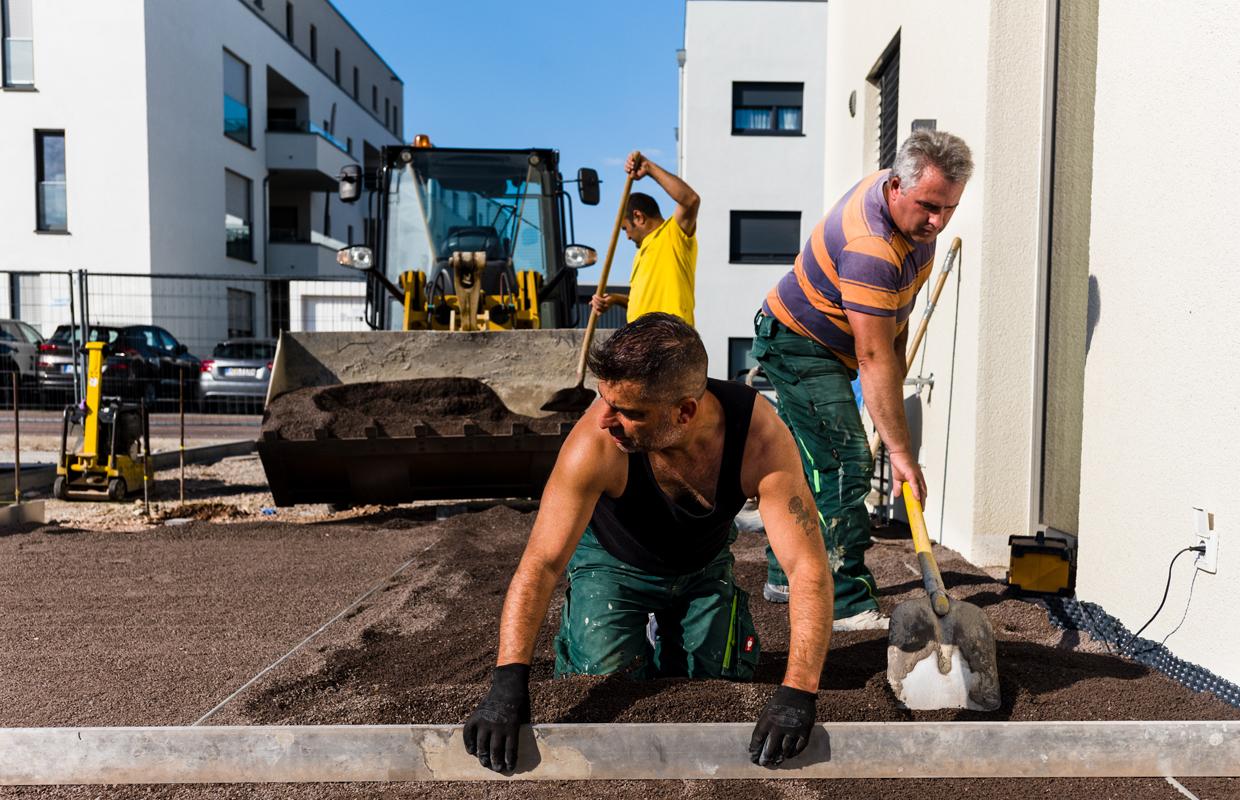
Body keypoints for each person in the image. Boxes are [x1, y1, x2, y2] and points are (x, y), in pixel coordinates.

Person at [463, 313, 833, 773]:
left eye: (629, 412)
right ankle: (613, 631)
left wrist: (798, 690)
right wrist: (508, 679)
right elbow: (541, 563)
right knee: (602, 678)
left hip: (702, 562)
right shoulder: (595, 444)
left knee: (716, 680)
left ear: (685, 412)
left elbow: (805, 568)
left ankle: (674, 628)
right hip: (613, 562)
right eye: (604, 399)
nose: (606, 420)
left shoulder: (757, 437)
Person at [751, 130, 973, 631]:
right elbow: (872, 356)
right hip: (798, 341)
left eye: (950, 209)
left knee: (809, 463)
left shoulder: (915, 226)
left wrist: (892, 399)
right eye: (929, 206)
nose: (937, 221)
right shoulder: (872, 246)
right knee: (844, 462)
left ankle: (786, 574)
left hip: (830, 343)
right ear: (896, 186)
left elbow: (894, 329)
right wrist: (900, 454)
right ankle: (842, 597)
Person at [590, 151, 700, 326]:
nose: (626, 236)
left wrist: (649, 168)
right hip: (644, 341)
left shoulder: (673, 234)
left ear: (638, 217)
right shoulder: (642, 253)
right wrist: (614, 299)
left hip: (670, 340)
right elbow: (644, 306)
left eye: (625, 228)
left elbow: (691, 200)